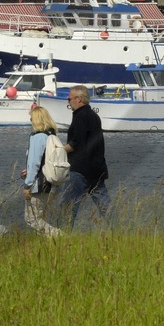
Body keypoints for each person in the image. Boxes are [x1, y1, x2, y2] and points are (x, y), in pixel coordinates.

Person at [60, 84, 110, 227]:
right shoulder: (94, 116)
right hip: (97, 169)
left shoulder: (80, 117)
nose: (68, 102)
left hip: (80, 169)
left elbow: (76, 143)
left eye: (69, 99)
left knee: (68, 207)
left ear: (79, 99)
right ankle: (121, 234)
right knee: (106, 207)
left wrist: (57, 150)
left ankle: (63, 236)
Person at [19, 104, 62, 237]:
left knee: (31, 219)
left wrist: (27, 185)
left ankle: (59, 236)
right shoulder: (51, 136)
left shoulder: (37, 137)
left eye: (31, 118)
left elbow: (34, 163)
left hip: (39, 185)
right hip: (51, 184)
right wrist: (29, 171)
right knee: (41, 216)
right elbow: (45, 160)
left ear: (36, 120)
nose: (30, 121)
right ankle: (50, 243)